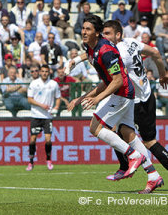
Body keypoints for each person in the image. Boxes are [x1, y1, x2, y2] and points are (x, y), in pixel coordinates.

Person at [67, 15, 163, 193]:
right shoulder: (92, 48)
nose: (84, 32)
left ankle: (132, 156)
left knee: (95, 127)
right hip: (126, 93)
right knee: (127, 133)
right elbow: (104, 76)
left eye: (88, 29)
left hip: (123, 93)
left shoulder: (107, 51)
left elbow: (117, 81)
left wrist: (97, 98)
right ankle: (153, 176)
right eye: (83, 28)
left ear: (97, 33)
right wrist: (74, 63)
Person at [101, 20, 168, 185]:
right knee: (118, 130)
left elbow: (114, 80)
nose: (104, 37)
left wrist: (97, 95)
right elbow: (156, 53)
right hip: (147, 94)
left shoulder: (119, 54)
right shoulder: (131, 42)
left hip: (137, 101)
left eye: (107, 33)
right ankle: (134, 169)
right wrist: (163, 74)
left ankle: (128, 167)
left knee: (146, 140)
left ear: (118, 34)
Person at [26, 64, 61, 171]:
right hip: (36, 115)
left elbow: (58, 97)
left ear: (49, 72)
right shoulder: (34, 83)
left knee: (48, 139)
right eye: (43, 71)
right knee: (33, 139)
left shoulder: (54, 84)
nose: (45, 73)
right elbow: (30, 99)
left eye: (46, 71)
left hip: (47, 116)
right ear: (40, 72)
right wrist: (42, 105)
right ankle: (31, 162)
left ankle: (48, 160)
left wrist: (56, 107)